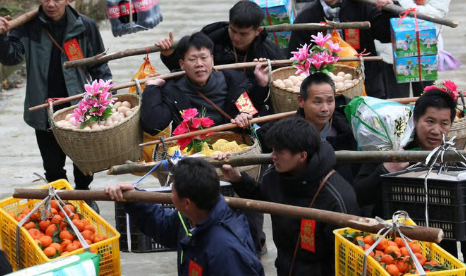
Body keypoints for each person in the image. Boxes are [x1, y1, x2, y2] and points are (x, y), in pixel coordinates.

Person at [0, 0, 111, 193]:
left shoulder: (85, 26)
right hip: (45, 108)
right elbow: (11, 57)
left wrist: (107, 96)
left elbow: (99, 66)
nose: (51, 4)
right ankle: (62, 203)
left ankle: (84, 195)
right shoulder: (29, 27)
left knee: (84, 163)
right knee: (53, 167)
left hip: (79, 107)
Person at [353, 87, 466, 271]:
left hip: (441, 259)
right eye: (429, 121)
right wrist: (385, 170)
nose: (436, 130)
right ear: (415, 119)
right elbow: (358, 195)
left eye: (444, 123)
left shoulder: (453, 162)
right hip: (393, 255)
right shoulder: (392, 150)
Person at [220, 118, 360, 276]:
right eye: (273, 149)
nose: (272, 156)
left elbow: (346, 254)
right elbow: (263, 198)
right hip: (285, 265)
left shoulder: (337, 197)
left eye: (279, 152)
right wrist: (237, 179)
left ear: (302, 156)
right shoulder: (275, 174)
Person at [106, 158, 264, 276]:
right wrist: (134, 198)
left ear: (187, 203)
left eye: (173, 190)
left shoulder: (226, 253)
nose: (171, 194)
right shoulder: (194, 217)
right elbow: (164, 227)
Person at [289, 0, 392, 99]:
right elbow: (296, 55)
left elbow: (385, 35)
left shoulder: (362, 7)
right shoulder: (306, 17)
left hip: (367, 80)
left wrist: (388, 11)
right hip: (323, 89)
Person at [141, 32, 270, 135]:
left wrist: (261, 84)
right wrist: (152, 88)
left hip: (233, 146)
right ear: (182, 64)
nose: (199, 64)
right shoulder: (173, 90)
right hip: (191, 151)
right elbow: (153, 127)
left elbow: (249, 110)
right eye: (192, 59)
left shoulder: (232, 81)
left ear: (212, 60)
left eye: (204, 58)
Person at [156, 0, 286, 88]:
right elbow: (185, 68)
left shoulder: (271, 54)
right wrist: (170, 55)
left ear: (258, 31)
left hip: (251, 105)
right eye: (233, 30)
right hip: (212, 97)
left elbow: (283, 85)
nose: (236, 37)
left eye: (243, 34)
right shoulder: (211, 37)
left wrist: (263, 84)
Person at [296, 72, 357, 183]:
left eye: (330, 101)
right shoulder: (289, 134)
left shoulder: (348, 131)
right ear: (301, 101)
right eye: (317, 102)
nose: (325, 109)